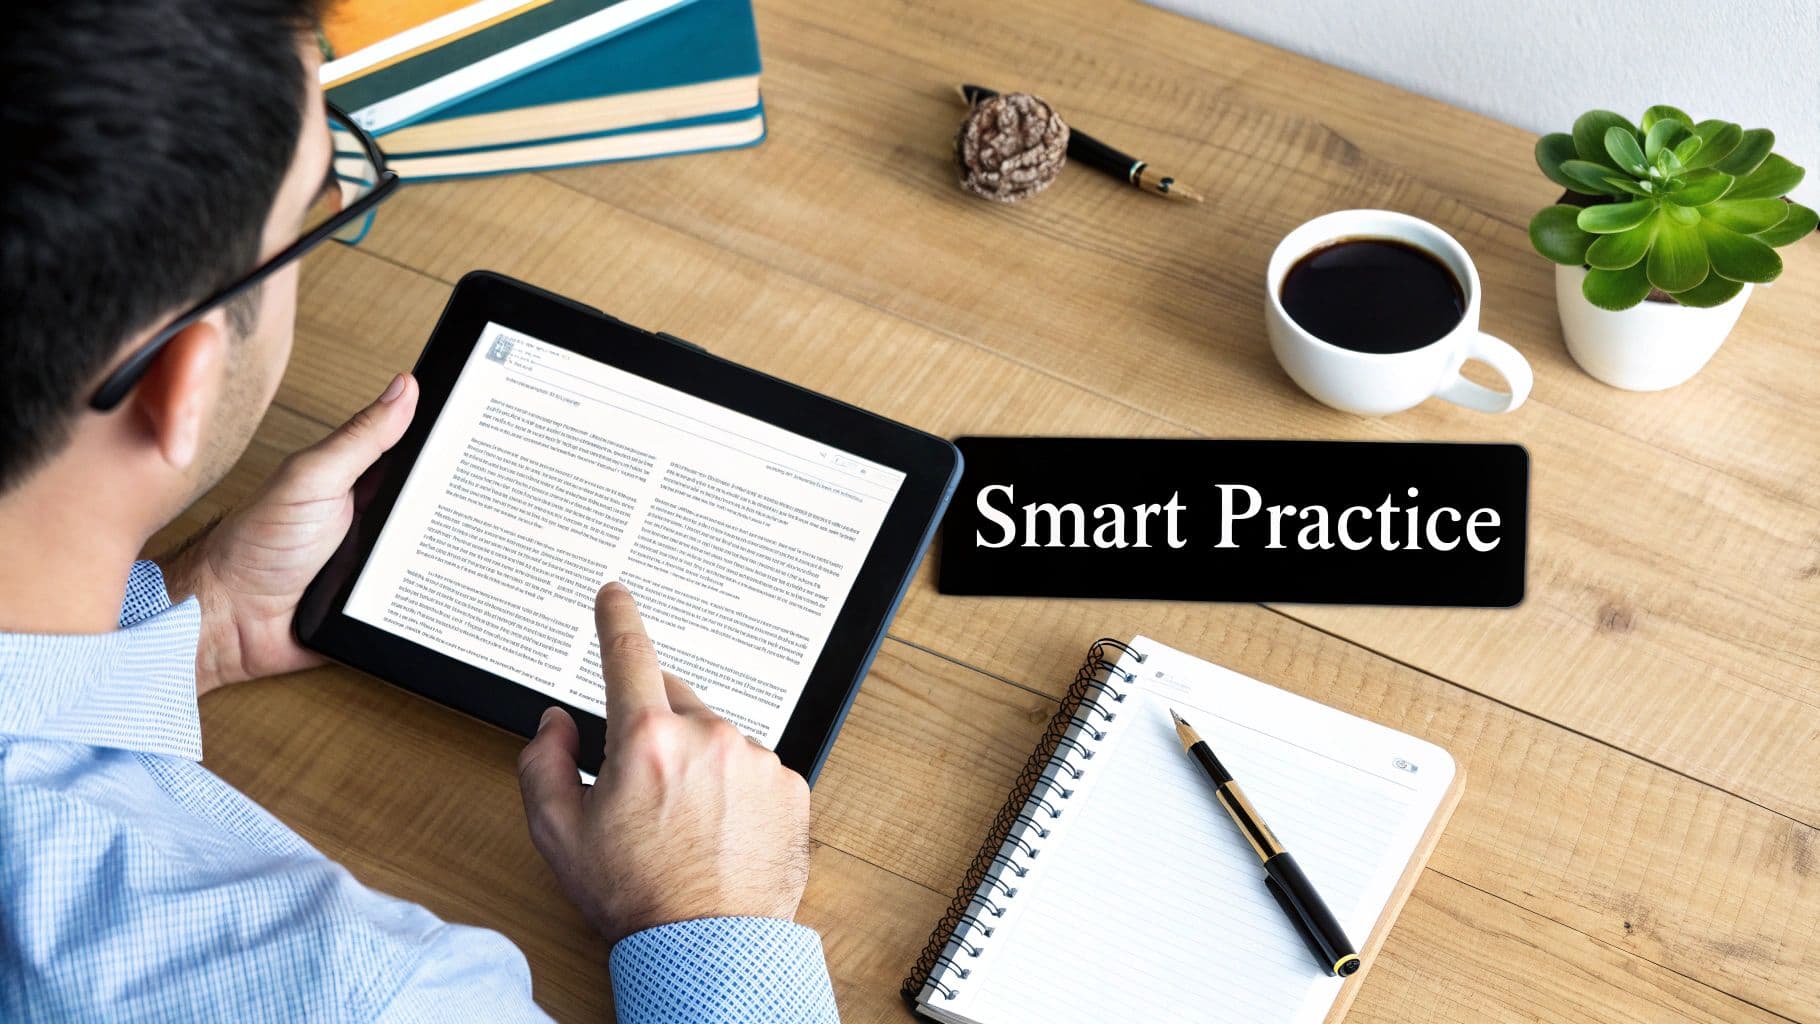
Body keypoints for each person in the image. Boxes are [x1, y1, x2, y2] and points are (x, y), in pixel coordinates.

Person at [0, 2, 838, 1020]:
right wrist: (707, 912)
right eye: (308, 216)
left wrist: (194, 623)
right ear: (183, 380)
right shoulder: (368, 996)